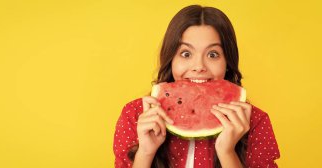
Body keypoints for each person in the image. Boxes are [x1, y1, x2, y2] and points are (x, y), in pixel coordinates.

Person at [113, 5, 280, 168]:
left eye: (212, 54)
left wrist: (227, 152)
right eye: (186, 54)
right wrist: (145, 153)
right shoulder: (135, 116)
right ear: (171, 59)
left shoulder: (255, 122)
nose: (199, 66)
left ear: (227, 62)